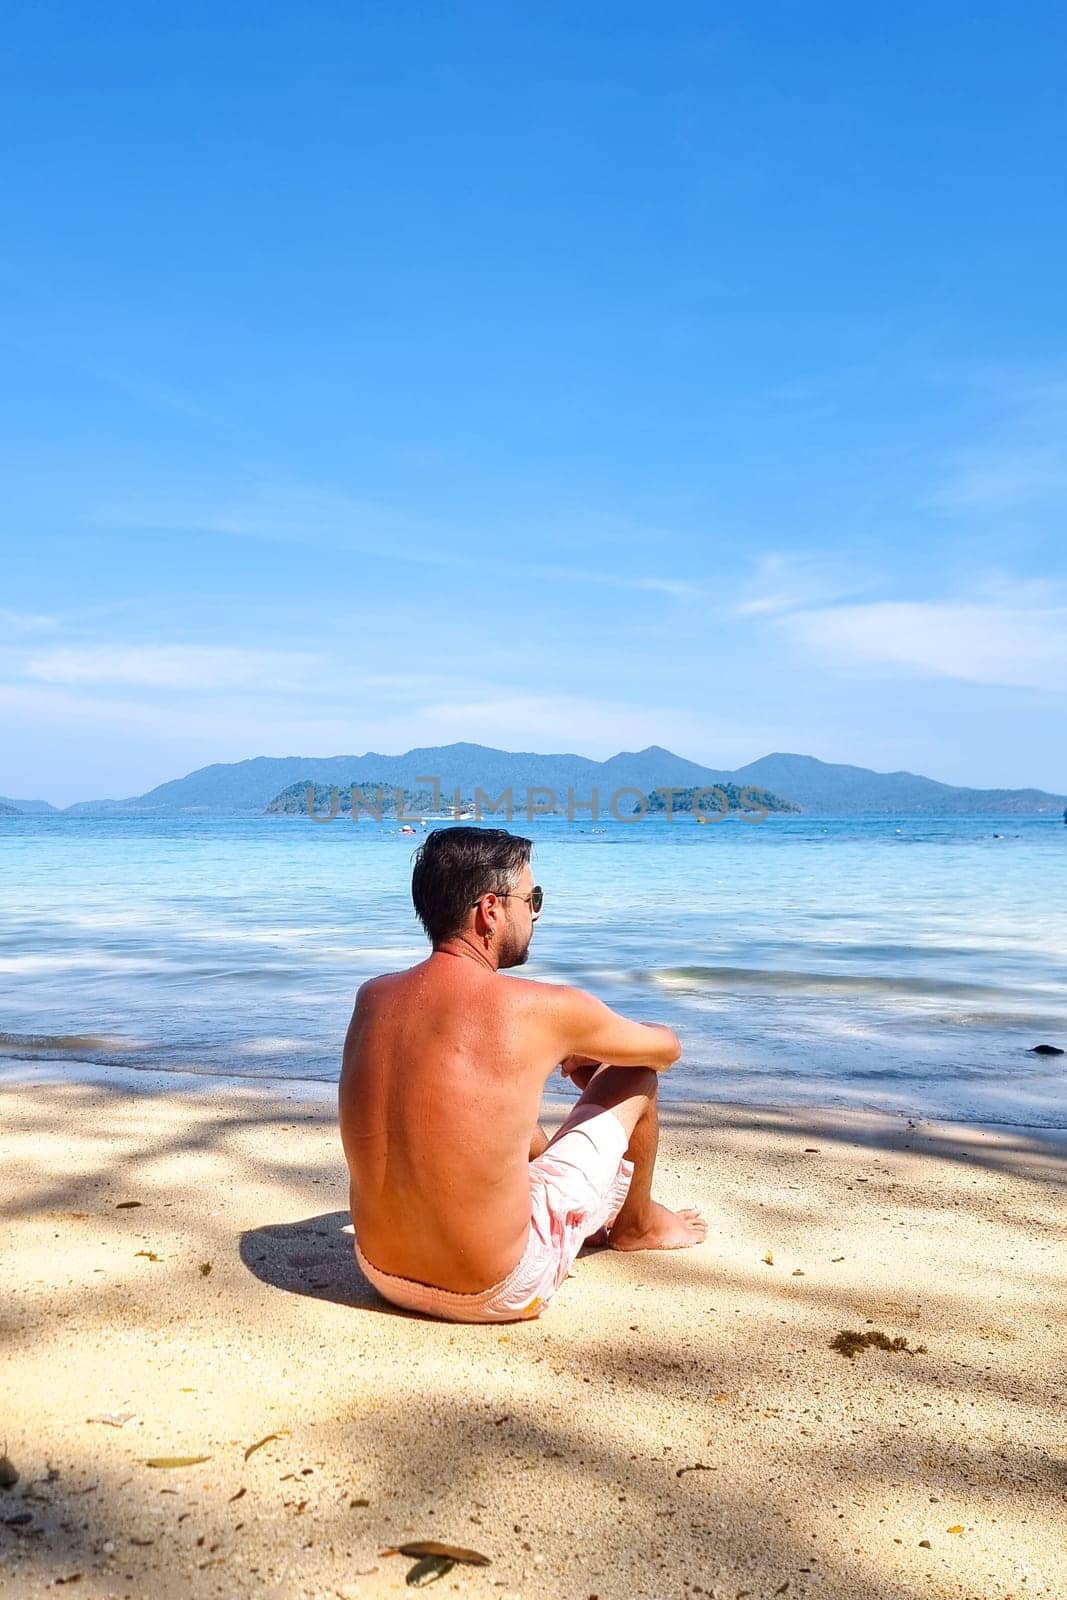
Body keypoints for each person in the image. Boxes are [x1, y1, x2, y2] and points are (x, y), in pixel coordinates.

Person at [339, 826, 706, 1322]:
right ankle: (636, 1226)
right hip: (495, 1287)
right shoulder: (539, 1009)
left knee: (495, 1103)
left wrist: (547, 1055)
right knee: (634, 1075)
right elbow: (665, 1049)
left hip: (380, 1272)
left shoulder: (373, 996)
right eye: (531, 898)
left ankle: (603, 1212)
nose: (535, 912)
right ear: (490, 910)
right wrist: (588, 1052)